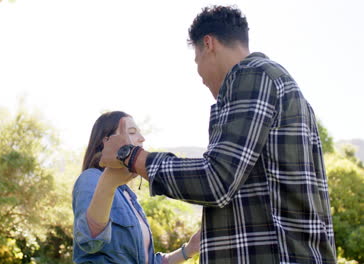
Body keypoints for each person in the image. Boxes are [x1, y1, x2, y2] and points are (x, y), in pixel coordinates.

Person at [99, 5, 336, 264]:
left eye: (196, 60)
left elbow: (216, 181)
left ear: (208, 43)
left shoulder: (251, 74)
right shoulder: (280, 84)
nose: (200, 75)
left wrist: (129, 155)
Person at [72, 111, 200, 264]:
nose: (142, 138)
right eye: (132, 132)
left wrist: (190, 249)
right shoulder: (91, 178)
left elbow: (149, 261)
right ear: (106, 142)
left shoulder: (128, 195)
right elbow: (89, 242)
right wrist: (108, 183)